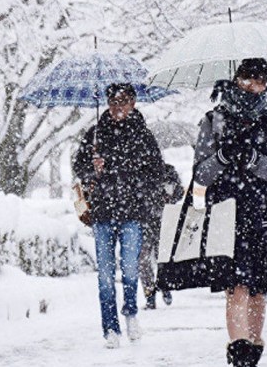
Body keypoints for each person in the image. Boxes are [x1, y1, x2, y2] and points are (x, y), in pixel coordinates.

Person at [193, 58, 267, 367]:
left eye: (260, 81)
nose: (253, 87)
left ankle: (253, 346)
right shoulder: (215, 119)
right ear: (236, 80)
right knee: (236, 286)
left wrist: (254, 161)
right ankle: (240, 352)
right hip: (227, 212)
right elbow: (200, 173)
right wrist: (222, 157)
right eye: (247, 81)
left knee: (258, 288)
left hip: (264, 212)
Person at [72, 82, 165, 349]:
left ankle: (131, 313)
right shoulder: (96, 134)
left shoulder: (143, 135)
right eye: (113, 102)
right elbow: (80, 167)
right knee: (104, 274)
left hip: (132, 213)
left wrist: (126, 173)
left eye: (123, 102)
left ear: (133, 103)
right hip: (102, 212)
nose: (117, 107)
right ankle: (109, 328)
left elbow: (155, 171)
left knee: (130, 269)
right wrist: (93, 167)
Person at [139, 163, 184, 310]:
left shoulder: (168, 170)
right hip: (143, 221)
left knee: (162, 257)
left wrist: (168, 198)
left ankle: (164, 286)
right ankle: (150, 294)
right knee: (143, 260)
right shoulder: (137, 170)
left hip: (162, 220)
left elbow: (179, 191)